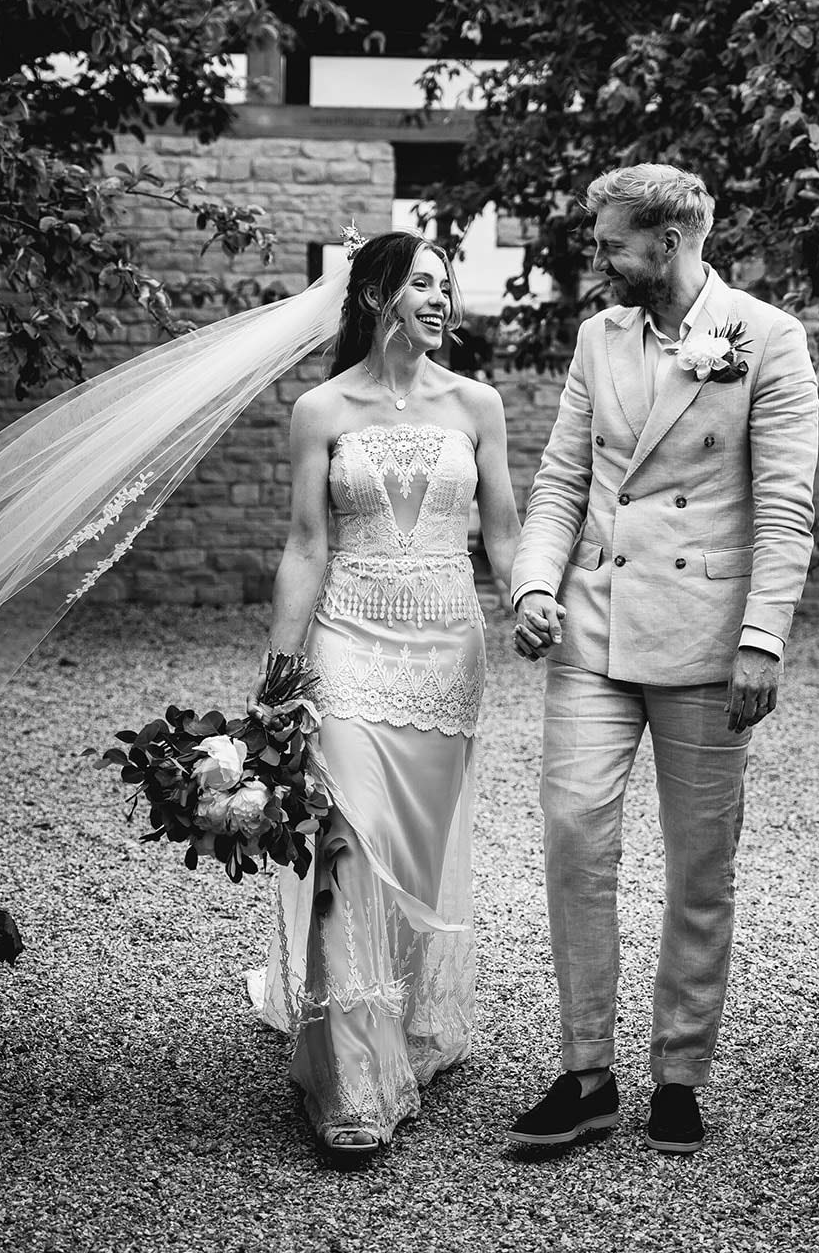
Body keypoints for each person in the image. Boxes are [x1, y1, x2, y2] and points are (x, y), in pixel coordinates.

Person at [506, 163, 819, 1155]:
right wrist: (531, 584)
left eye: (609, 244)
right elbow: (561, 480)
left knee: (697, 868)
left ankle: (677, 1075)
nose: (597, 259)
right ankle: (583, 1073)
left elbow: (781, 506)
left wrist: (762, 636)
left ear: (667, 242)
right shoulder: (599, 337)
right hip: (592, 632)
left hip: (703, 641)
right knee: (573, 841)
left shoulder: (765, 338)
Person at [253, 230, 520, 1160]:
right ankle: (350, 1081)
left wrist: (531, 603)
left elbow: (503, 534)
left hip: (448, 650)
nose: (442, 299)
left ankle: (402, 1022)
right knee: (346, 838)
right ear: (375, 298)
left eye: (447, 284)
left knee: (415, 850)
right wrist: (280, 678)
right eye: (423, 284)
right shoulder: (319, 409)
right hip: (348, 645)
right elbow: (304, 545)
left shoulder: (477, 404)